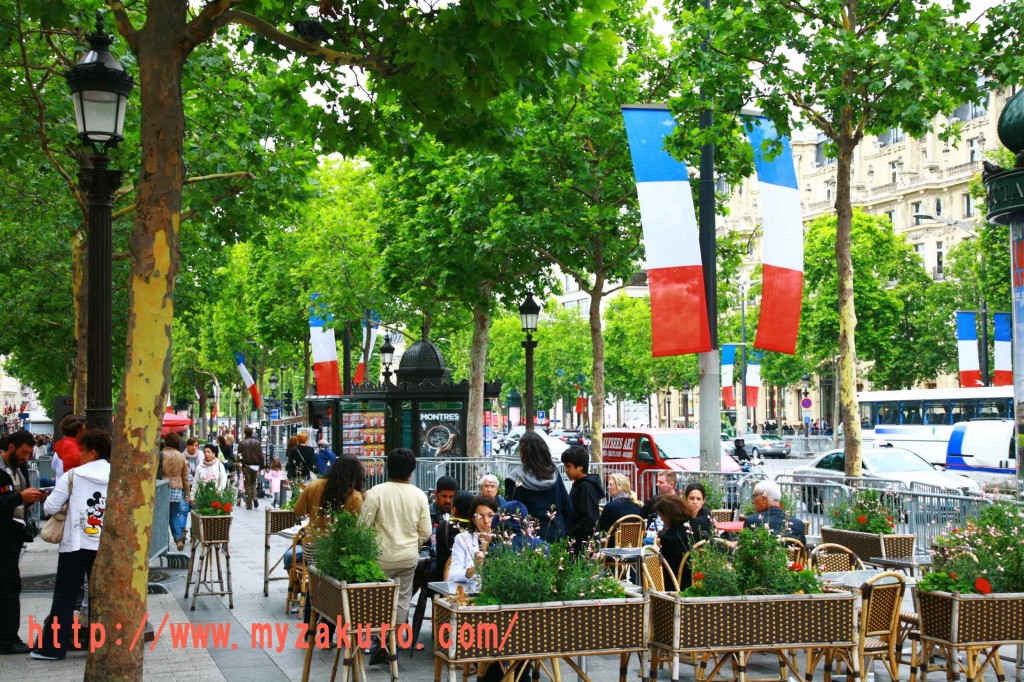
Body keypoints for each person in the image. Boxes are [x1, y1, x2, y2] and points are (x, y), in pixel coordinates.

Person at [31, 429, 111, 660]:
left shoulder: (73, 475)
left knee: (65, 596)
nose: (80, 456)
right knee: (103, 596)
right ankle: (104, 645)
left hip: (75, 544)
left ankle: (53, 648)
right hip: (104, 544)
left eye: (83, 451)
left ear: (92, 452)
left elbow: (50, 507)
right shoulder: (118, 475)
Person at [361, 448, 430, 631]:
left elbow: (362, 527)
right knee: (402, 599)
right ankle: (396, 642)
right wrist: (414, 546)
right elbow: (426, 531)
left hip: (380, 557)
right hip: (407, 557)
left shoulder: (375, 492)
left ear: (387, 468)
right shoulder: (419, 495)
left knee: (376, 597)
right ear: (411, 471)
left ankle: (378, 638)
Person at [0, 430, 46, 655]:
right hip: (3, 537)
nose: (26, 457)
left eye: (29, 453)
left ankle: (8, 636)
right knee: (9, 587)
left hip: (13, 536)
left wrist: (32, 498)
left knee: (9, 586)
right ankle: (7, 639)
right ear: (11, 447)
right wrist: (20, 497)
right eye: (24, 452)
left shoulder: (21, 467)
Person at [287, 453, 366, 573]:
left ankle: (311, 587)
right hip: (339, 551)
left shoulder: (313, 486)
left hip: (311, 547)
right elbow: (360, 524)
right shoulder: (355, 497)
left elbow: (298, 511)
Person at [503, 432, 573, 543]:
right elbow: (567, 507)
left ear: (523, 452)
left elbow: (511, 513)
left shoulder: (515, 478)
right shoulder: (553, 473)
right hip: (556, 533)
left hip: (529, 538)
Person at [656, 484, 713, 589]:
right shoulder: (702, 522)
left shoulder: (669, 538)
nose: (662, 519)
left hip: (679, 586)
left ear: (669, 515)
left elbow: (665, 566)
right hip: (704, 581)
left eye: (661, 516)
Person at [560, 446, 602, 554]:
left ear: (580, 467)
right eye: (565, 465)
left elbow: (590, 519)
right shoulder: (579, 485)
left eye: (569, 466)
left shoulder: (586, 487)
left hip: (583, 546)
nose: (565, 469)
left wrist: (572, 534)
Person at [448, 496, 498, 582]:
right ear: (474, 520)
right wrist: (475, 568)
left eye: (490, 516)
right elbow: (453, 576)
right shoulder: (462, 539)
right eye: (480, 516)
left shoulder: (505, 540)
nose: (486, 521)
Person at [743, 480, 806, 546]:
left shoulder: (751, 521)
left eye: (754, 496)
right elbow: (803, 551)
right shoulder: (798, 524)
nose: (753, 501)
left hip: (762, 556)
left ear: (764, 498)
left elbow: (745, 550)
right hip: (791, 556)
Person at [161, 432, 191, 551]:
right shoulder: (181, 456)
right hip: (177, 488)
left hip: (162, 487)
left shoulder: (161, 454)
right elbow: (185, 476)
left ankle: (163, 543)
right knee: (174, 515)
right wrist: (188, 493)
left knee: (161, 516)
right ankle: (178, 538)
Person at [434, 490, 472, 582]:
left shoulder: (444, 526)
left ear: (454, 509)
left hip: (446, 576)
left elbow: (440, 556)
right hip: (469, 576)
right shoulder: (475, 528)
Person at [599, 473, 644, 540]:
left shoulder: (610, 506)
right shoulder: (637, 505)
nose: (608, 487)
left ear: (620, 487)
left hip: (613, 545)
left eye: (611, 485)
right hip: (634, 544)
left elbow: (600, 528)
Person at [238, 427, 263, 509]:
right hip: (255, 466)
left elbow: (239, 456)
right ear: (252, 433)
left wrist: (240, 465)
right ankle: (255, 497)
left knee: (247, 485)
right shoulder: (257, 442)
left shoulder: (242, 443)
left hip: (246, 466)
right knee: (253, 483)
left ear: (245, 433)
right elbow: (261, 455)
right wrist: (261, 466)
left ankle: (249, 504)